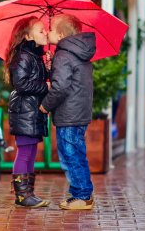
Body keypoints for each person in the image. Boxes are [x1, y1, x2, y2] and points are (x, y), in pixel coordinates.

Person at [39, 14, 96, 210]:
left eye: (52, 29)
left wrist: (45, 105)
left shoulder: (63, 55)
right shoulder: (78, 52)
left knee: (70, 154)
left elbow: (60, 86)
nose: (48, 32)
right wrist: (52, 65)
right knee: (77, 153)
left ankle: (82, 195)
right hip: (79, 111)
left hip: (68, 113)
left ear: (62, 34)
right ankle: (83, 193)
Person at [5, 16, 50, 208]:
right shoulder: (23, 55)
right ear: (27, 36)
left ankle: (28, 194)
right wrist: (45, 85)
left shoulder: (34, 56)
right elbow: (21, 84)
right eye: (41, 31)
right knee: (24, 153)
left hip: (31, 113)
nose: (46, 33)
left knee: (30, 152)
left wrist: (48, 69)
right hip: (24, 111)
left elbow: (37, 80)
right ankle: (22, 196)